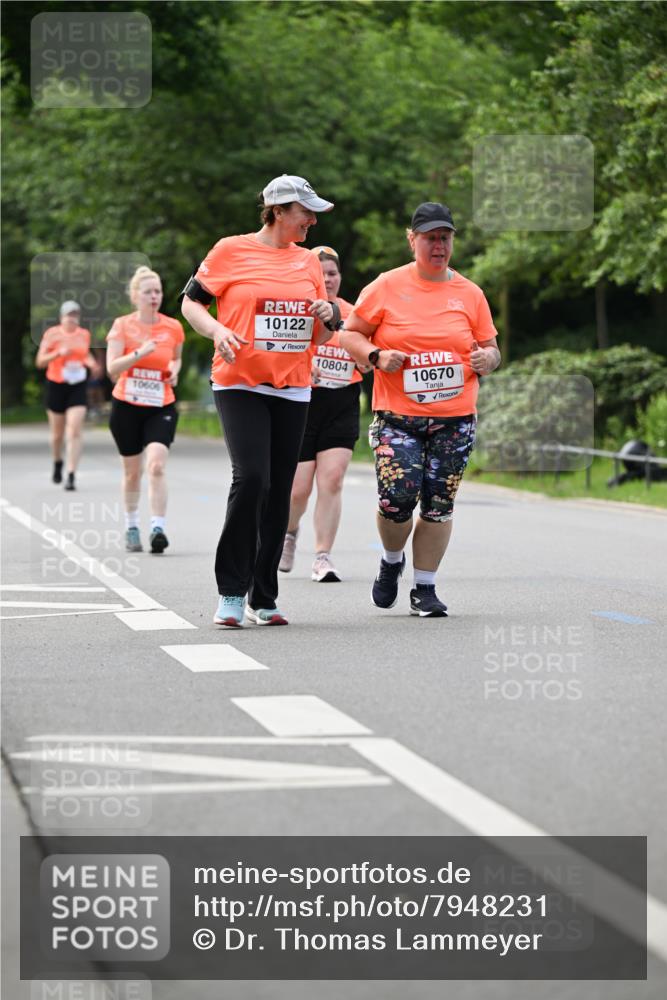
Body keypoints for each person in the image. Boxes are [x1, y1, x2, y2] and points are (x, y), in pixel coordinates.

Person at [181, 174, 337, 627]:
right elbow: (192, 304)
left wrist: (329, 316)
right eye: (305, 212)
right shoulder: (230, 250)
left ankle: (263, 596)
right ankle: (231, 591)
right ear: (278, 211)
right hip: (239, 382)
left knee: (279, 494)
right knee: (252, 479)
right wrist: (217, 330)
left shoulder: (309, 262)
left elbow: (321, 331)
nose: (311, 219)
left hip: (293, 386)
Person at [340, 202, 501, 617]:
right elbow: (349, 335)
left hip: (455, 419)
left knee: (438, 505)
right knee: (397, 499)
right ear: (412, 240)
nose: (438, 246)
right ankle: (392, 561)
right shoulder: (386, 286)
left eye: (445, 238)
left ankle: (424, 588)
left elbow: (491, 348)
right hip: (398, 417)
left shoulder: (470, 293)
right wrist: (376, 355)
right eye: (430, 238)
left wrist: (488, 360)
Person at [279, 245, 368, 582]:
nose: (328, 279)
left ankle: (322, 557)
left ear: (339, 277)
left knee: (332, 479)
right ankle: (288, 533)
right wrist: (304, 367)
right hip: (304, 402)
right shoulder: (299, 311)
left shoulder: (355, 314)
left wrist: (364, 360)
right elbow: (280, 354)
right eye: (322, 273)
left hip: (343, 402)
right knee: (298, 489)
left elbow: (366, 358)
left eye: (332, 273)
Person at [106, 265, 184, 554]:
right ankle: (131, 525)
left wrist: (174, 371)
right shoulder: (122, 326)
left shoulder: (173, 327)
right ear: (135, 296)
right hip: (126, 404)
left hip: (160, 404)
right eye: (148, 292)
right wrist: (139, 353)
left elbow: (176, 359)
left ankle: (158, 528)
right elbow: (112, 369)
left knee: (156, 465)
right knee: (132, 473)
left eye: (158, 291)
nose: (155, 296)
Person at [36, 300, 101, 490]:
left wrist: (92, 364)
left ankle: (71, 474)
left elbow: (85, 356)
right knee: (57, 435)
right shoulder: (52, 334)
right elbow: (39, 361)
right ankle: (58, 463)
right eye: (69, 315)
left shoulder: (84, 335)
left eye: (75, 315)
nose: (72, 319)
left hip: (77, 385)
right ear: (61, 317)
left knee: (74, 430)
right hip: (56, 385)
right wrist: (57, 353)